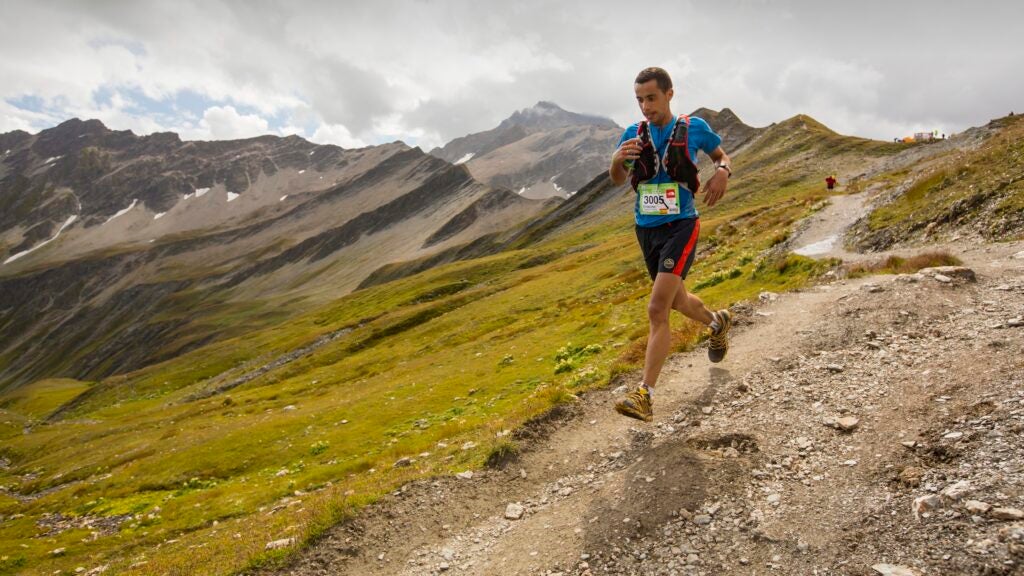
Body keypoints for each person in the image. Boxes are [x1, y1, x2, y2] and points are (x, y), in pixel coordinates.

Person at [608, 67, 733, 422]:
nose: (646, 107)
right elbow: (617, 180)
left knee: (657, 308)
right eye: (640, 100)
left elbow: (721, 156)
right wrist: (616, 161)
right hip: (646, 229)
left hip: (681, 226)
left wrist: (722, 172)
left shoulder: (694, 128)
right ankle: (717, 323)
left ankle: (644, 395)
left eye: (651, 98)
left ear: (669, 94)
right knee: (678, 301)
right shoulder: (633, 134)